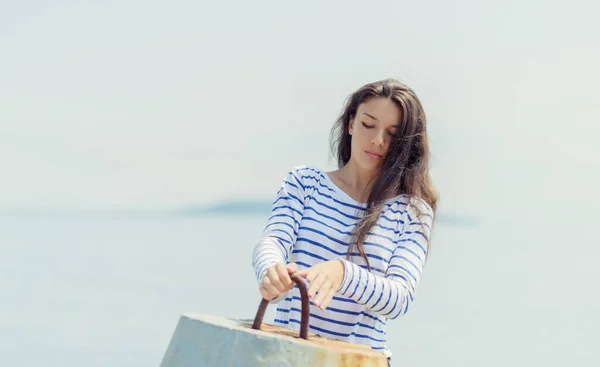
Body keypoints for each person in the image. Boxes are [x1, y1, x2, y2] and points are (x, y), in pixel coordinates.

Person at [251, 78, 438, 364]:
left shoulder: (412, 211)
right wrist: (271, 272)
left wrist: (343, 274)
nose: (378, 140)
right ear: (351, 124)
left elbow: (399, 299)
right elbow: (273, 241)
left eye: (392, 133)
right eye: (368, 125)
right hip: (290, 358)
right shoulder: (305, 182)